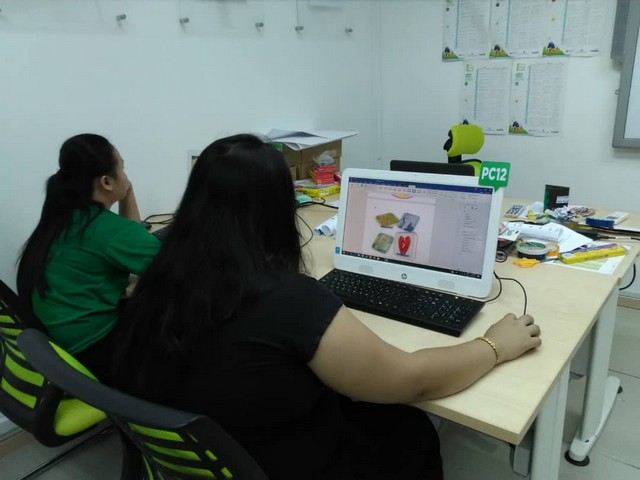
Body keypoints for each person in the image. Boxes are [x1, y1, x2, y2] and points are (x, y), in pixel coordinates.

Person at [112, 134, 542, 480]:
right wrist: (494, 346)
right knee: (411, 428)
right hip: (283, 460)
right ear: (279, 209)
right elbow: (412, 380)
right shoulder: (286, 299)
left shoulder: (157, 278)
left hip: (211, 454)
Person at [17, 133, 160, 382]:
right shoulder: (108, 230)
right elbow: (176, 267)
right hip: (94, 351)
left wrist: (128, 193)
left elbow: (130, 238)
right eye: (122, 168)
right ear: (106, 182)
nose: (126, 176)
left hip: (57, 349)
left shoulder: (64, 216)